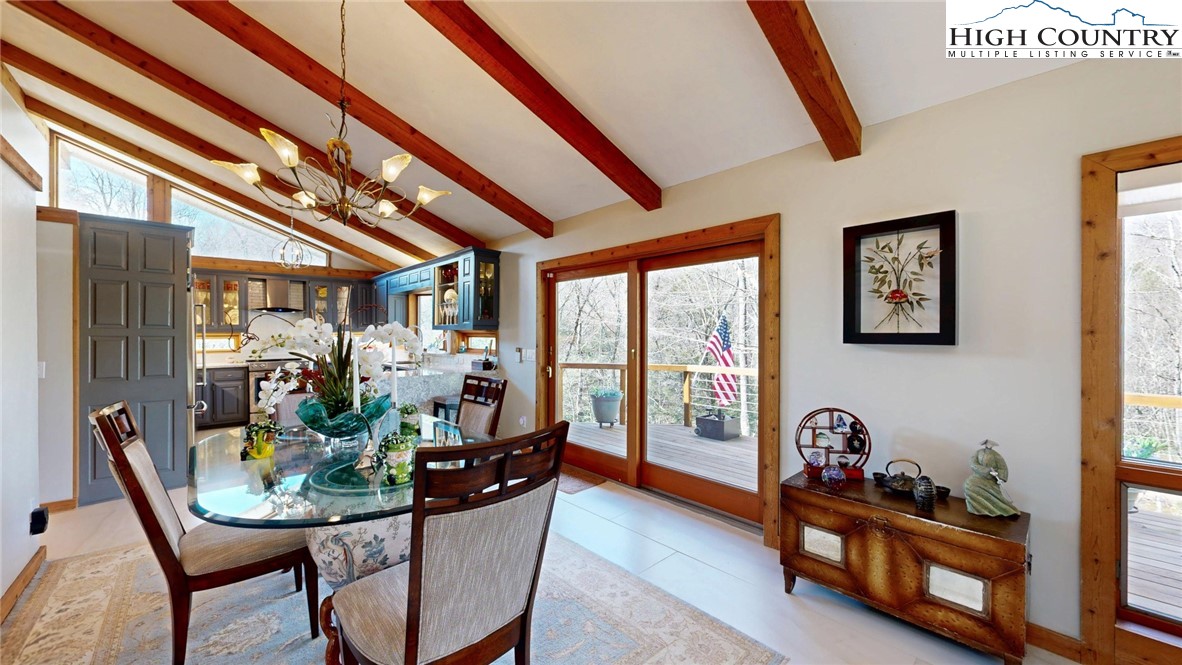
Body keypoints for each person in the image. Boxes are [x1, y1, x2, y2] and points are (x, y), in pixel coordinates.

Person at [964, 440, 1019, 517]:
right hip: (978, 476)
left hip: (990, 479)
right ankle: (975, 508)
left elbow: (1003, 468)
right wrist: (987, 470)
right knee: (968, 484)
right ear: (985, 444)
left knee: (988, 489)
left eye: (991, 444)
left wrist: (998, 475)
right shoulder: (978, 452)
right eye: (987, 444)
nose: (989, 445)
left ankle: (997, 509)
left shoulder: (997, 456)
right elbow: (973, 463)